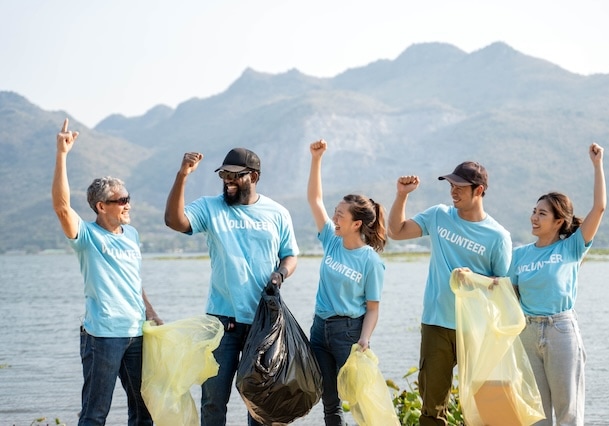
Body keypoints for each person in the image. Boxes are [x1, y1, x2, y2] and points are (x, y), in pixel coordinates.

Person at [164, 148, 299, 426]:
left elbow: (290, 255)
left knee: (260, 402)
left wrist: (281, 274)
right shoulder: (210, 207)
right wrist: (182, 176)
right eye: (224, 175)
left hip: (264, 322)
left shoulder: (277, 213)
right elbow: (174, 221)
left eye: (235, 176)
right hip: (222, 322)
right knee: (213, 400)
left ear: (254, 176)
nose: (228, 181)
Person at [51, 118, 162, 426]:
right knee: (95, 412)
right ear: (101, 206)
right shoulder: (86, 236)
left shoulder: (132, 235)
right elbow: (62, 207)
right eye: (121, 200)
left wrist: (151, 313)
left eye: (128, 198)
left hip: (136, 332)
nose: (128, 204)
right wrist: (62, 155)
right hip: (103, 336)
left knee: (144, 411)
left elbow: (134, 281)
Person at [387, 160, 512, 425]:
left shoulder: (498, 236)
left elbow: (502, 286)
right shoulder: (438, 216)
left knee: (482, 404)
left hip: (476, 329)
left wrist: (474, 279)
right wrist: (401, 195)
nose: (453, 191)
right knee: (432, 407)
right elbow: (396, 232)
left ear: (478, 191)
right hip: (436, 324)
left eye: (461, 187)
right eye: (452, 185)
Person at [508, 143, 606, 425]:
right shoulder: (519, 254)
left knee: (568, 413)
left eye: (542, 214)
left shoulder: (572, 248)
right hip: (527, 333)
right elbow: (505, 292)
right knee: (536, 414)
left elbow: (599, 208)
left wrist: (597, 165)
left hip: (560, 331)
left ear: (558, 221)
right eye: (533, 211)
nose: (534, 218)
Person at [307, 139, 387, 426]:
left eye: (340, 215)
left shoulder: (370, 260)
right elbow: (315, 200)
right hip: (319, 330)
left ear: (356, 224)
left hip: (348, 333)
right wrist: (317, 159)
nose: (334, 218)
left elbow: (373, 307)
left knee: (359, 400)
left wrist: (365, 338)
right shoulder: (331, 240)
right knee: (330, 401)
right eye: (335, 213)